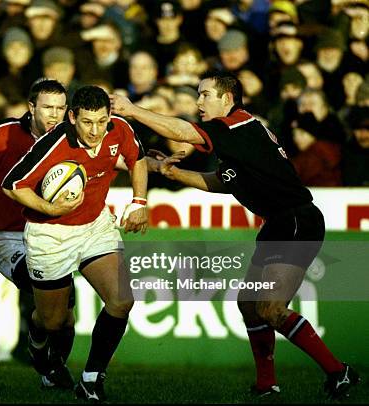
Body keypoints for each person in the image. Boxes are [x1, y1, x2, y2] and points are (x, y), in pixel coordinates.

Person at [109, 71, 359, 400]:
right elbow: (222, 181)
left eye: (205, 95)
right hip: (279, 223)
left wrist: (133, 110)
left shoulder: (236, 124)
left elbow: (183, 131)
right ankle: (266, 385)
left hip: (297, 220)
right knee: (249, 304)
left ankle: (339, 373)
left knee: (269, 308)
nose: (199, 101)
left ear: (227, 99)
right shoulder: (236, 135)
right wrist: (172, 172)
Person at [2, 85, 148, 402]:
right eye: (86, 122)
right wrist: (52, 208)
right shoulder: (53, 144)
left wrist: (139, 201)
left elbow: (137, 158)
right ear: (72, 117)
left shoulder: (120, 128)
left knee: (122, 299)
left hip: (95, 226)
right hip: (49, 235)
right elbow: (12, 185)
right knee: (55, 321)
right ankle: (37, 340)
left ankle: (91, 379)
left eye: (101, 121)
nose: (95, 130)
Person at [0, 79, 77, 388]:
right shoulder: (2, 134)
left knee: (65, 313)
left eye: (61, 108)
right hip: (8, 239)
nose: (55, 114)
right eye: (47, 107)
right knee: (44, 288)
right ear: (31, 107)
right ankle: (46, 364)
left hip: (52, 236)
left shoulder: (68, 137)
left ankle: (50, 363)